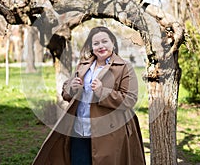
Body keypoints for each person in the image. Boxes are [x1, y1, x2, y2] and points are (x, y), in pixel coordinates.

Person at [33, 26, 146, 165]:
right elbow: (66, 93)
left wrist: (102, 92)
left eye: (105, 41)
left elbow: (130, 99)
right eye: (96, 43)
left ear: (112, 43)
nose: (101, 46)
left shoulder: (124, 67)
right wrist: (71, 88)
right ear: (91, 47)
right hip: (79, 130)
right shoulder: (83, 65)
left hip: (108, 134)